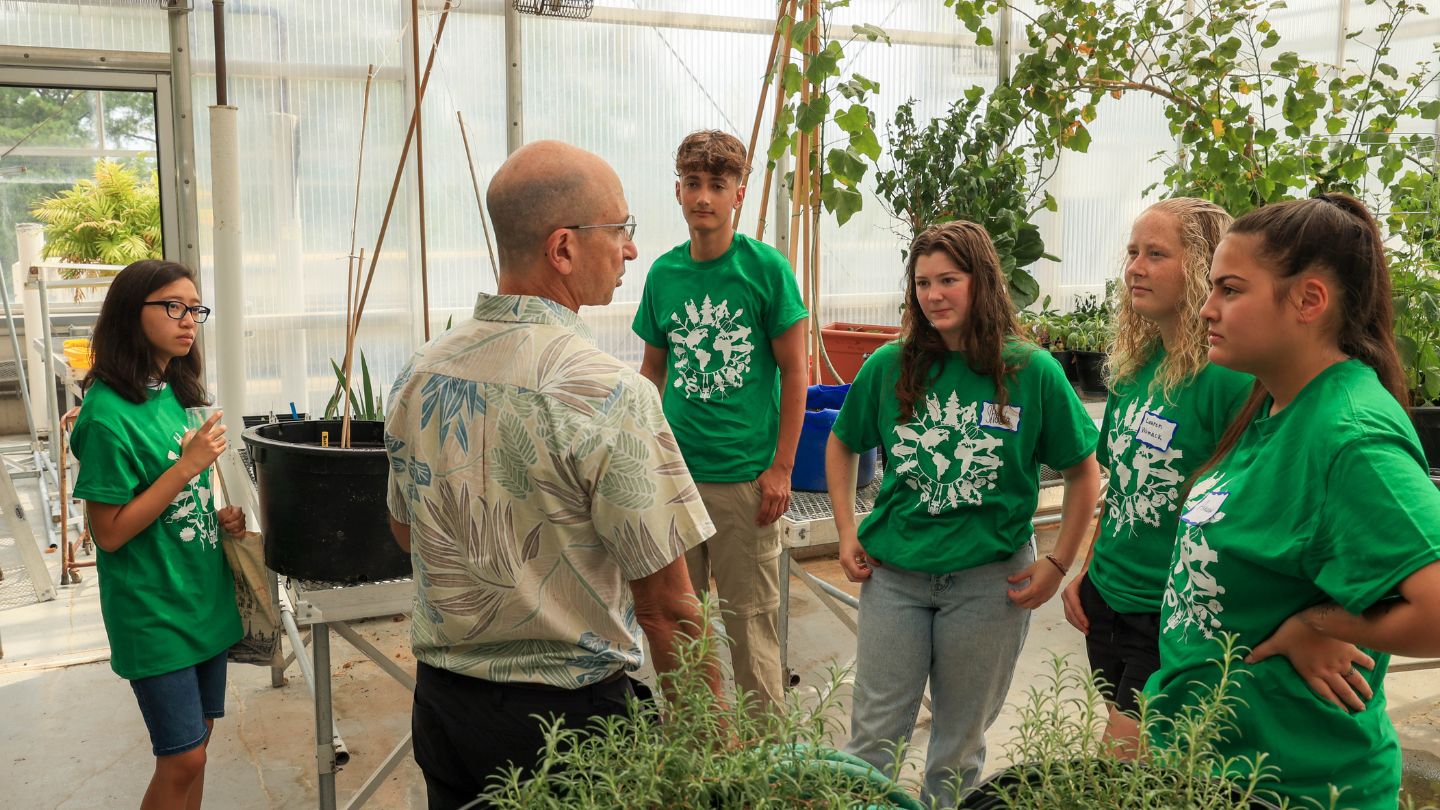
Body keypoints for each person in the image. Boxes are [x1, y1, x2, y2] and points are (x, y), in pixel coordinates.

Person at [384, 140, 720, 809]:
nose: (630, 250)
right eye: (621, 230)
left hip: (447, 708)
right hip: (570, 729)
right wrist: (710, 755)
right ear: (562, 248)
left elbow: (406, 533)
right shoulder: (606, 394)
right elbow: (670, 611)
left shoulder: (422, 371)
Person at [1143, 194, 1440, 809]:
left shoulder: (1349, 437)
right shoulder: (1275, 399)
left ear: (1308, 300)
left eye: (1229, 289)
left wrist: (1321, 624)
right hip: (1211, 767)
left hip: (1295, 786)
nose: (1206, 310)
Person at [827, 221, 1102, 805]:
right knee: (873, 741)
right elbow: (842, 441)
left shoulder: (1029, 371)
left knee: (957, 747)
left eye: (949, 279)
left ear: (982, 283)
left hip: (988, 586)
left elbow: (1084, 471)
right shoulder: (889, 365)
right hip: (894, 577)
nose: (934, 295)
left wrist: (1059, 562)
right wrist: (846, 529)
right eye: (923, 282)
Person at [1058, 198, 1253, 748]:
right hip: (1109, 601)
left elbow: (1242, 506)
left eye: (1156, 254)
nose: (1135, 267)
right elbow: (1119, 484)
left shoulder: (1228, 380)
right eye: (1132, 252)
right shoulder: (1133, 369)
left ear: (1201, 268)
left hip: (1171, 614)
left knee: (1121, 760)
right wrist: (1090, 570)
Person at [632, 129, 808, 709]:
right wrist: (644, 457)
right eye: (692, 183)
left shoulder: (765, 270)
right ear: (677, 191)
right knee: (680, 627)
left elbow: (796, 374)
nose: (702, 196)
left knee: (751, 629)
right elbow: (652, 373)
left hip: (743, 483)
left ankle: (763, 770)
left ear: (738, 192)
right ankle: (698, 760)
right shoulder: (663, 275)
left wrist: (781, 469)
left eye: (717, 184)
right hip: (676, 480)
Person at [69, 259, 246, 810]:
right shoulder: (104, 415)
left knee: (198, 748)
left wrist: (212, 517)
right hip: (153, 609)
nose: (188, 319)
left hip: (202, 598)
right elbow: (111, 533)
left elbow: (172, 501)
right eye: (173, 306)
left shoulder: (169, 392)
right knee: (182, 757)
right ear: (130, 312)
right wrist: (186, 469)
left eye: (195, 308)